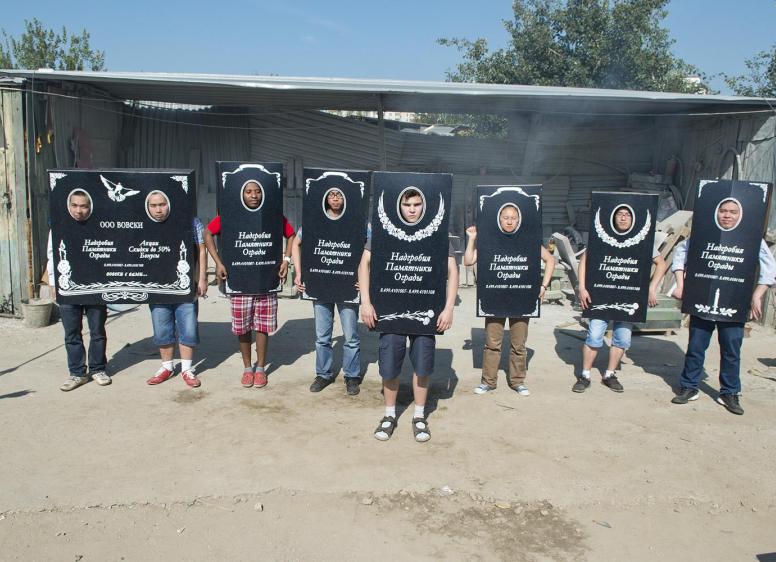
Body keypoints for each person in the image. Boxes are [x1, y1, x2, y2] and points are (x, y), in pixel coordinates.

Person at [358, 188, 458, 443]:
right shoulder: (383, 232)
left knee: (422, 365)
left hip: (426, 312)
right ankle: (389, 415)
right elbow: (363, 264)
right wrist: (366, 302)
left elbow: (453, 269)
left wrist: (448, 308)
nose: (412, 209)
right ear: (399, 206)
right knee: (389, 365)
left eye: (416, 204)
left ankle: (419, 416)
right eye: (407, 204)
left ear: (424, 206)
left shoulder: (437, 233)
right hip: (390, 311)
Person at [670, 199, 776, 415]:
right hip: (702, 299)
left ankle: (729, 392)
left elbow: (769, 267)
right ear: (717, 213)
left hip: (735, 302)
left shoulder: (751, 236)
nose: (727, 215)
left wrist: (757, 295)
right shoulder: (703, 232)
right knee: (696, 347)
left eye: (732, 212)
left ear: (740, 215)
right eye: (723, 211)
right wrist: (681, 285)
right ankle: (689, 386)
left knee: (731, 350)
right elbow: (680, 254)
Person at [204, 180, 296, 388]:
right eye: (248, 191)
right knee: (243, 326)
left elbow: (291, 235)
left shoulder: (272, 214)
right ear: (242, 194)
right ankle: (247, 368)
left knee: (263, 326)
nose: (254, 195)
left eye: (257, 191)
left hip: (265, 280)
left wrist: (286, 260)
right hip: (240, 280)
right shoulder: (229, 213)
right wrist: (218, 262)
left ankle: (261, 368)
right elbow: (207, 233)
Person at [463, 203, 556, 396]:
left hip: (521, 298)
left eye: (513, 218)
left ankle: (517, 381)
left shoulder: (528, 239)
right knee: (492, 344)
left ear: (519, 219)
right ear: (499, 218)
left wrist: (543, 286)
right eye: (506, 217)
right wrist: (472, 239)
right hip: (495, 298)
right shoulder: (490, 239)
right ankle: (488, 381)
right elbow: (468, 260)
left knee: (518, 345)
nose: (509, 221)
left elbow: (550, 260)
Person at [574, 205, 668, 393]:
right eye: (620, 214)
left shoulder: (643, 240)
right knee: (594, 336)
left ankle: (609, 374)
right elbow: (584, 260)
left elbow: (661, 264)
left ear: (633, 219)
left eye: (627, 215)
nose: (623, 218)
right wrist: (582, 287)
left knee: (622, 339)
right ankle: (585, 374)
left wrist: (651, 288)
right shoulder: (601, 237)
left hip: (629, 296)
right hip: (601, 295)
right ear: (614, 217)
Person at [291, 189, 362, 395]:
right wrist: (299, 272)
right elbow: (296, 243)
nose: (336, 198)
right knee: (322, 336)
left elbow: (371, 249)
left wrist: (365, 277)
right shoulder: (313, 221)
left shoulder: (358, 221)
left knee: (351, 336)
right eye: (331, 195)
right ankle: (323, 374)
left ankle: (352, 376)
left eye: (339, 194)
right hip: (320, 284)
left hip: (347, 285)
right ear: (325, 198)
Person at [145, 191, 209, 388]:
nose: (158, 209)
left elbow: (201, 249)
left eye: (162, 204)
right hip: (158, 286)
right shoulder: (142, 222)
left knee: (188, 328)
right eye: (154, 205)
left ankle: (187, 369)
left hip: (186, 285)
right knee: (162, 327)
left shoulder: (191, 221)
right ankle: (167, 367)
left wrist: (202, 278)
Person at [48, 190, 110, 391]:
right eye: (74, 205)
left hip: (95, 287)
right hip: (68, 287)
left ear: (90, 207)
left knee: (97, 331)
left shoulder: (99, 225)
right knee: (72, 332)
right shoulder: (58, 226)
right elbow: (52, 255)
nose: (79, 210)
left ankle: (98, 369)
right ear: (68, 205)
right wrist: (53, 283)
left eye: (83, 206)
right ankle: (77, 373)